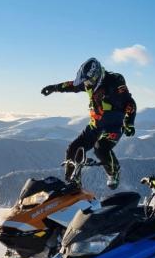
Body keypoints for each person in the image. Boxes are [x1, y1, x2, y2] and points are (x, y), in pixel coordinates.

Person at [41, 57, 137, 189]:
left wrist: (129, 122)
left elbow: (130, 103)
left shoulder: (114, 81)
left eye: (89, 81)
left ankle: (114, 172)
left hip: (113, 127)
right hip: (95, 125)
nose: (87, 84)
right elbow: (73, 85)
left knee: (100, 148)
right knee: (73, 149)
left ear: (97, 75)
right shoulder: (88, 83)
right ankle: (71, 183)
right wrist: (54, 88)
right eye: (85, 81)